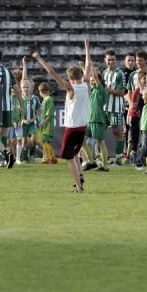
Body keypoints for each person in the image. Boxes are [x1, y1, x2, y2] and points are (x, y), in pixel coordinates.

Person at [32, 39, 91, 193]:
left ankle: (78, 186)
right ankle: (80, 176)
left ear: (70, 78)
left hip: (71, 128)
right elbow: (88, 66)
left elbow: (52, 73)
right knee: (75, 153)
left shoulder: (70, 88)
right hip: (83, 126)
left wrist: (39, 59)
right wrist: (86, 48)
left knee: (69, 158)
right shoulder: (86, 84)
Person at [0, 49, 20, 162]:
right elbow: (17, 90)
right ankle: (4, 156)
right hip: (7, 108)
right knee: (3, 134)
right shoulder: (8, 72)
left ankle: (0, 157)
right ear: (1, 59)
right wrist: (21, 106)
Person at [81, 67, 109, 172]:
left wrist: (91, 67)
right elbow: (86, 80)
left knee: (101, 142)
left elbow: (95, 78)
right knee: (81, 141)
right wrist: (83, 69)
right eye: (91, 80)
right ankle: (91, 161)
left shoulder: (100, 90)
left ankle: (105, 165)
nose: (92, 81)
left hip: (98, 119)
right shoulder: (92, 91)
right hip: (90, 120)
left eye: (94, 80)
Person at [102, 50, 126, 166]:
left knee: (117, 133)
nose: (111, 62)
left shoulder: (120, 73)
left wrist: (106, 89)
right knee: (98, 132)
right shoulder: (104, 73)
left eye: (113, 60)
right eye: (109, 60)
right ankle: (101, 157)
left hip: (116, 108)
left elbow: (122, 92)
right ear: (105, 60)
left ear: (116, 61)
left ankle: (119, 159)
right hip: (105, 108)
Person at [126, 71, 146, 166]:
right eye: (143, 79)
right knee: (135, 138)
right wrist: (130, 115)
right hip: (135, 117)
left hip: (144, 117)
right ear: (139, 80)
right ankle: (134, 157)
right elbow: (132, 105)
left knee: (144, 139)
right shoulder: (137, 91)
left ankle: (141, 158)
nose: (145, 81)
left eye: (146, 79)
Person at [20, 79, 41, 164]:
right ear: (21, 88)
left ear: (31, 88)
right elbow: (16, 112)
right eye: (24, 87)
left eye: (27, 87)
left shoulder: (35, 98)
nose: (25, 89)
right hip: (23, 124)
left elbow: (39, 111)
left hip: (33, 123)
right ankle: (24, 158)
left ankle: (31, 155)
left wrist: (33, 119)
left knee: (33, 140)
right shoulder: (19, 98)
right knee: (24, 141)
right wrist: (23, 120)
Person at [38, 82, 57, 164]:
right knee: (46, 141)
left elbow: (49, 115)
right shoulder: (45, 100)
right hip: (45, 125)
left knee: (44, 141)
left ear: (41, 91)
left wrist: (42, 123)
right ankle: (52, 157)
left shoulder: (49, 99)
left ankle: (47, 158)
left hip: (47, 125)